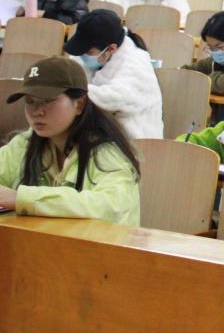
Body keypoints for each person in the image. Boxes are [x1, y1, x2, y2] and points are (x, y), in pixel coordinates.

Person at [0, 56, 140, 224]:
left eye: (48, 100)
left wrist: (20, 198)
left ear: (79, 104)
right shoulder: (25, 143)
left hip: (97, 240)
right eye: (29, 101)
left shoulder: (107, 152)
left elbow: (111, 206)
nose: (37, 111)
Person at [62, 9, 162, 139]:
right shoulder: (95, 55)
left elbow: (115, 98)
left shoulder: (136, 63)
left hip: (135, 139)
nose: (83, 56)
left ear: (111, 49)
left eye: (89, 52)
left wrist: (70, 89)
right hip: (103, 131)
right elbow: (69, 74)